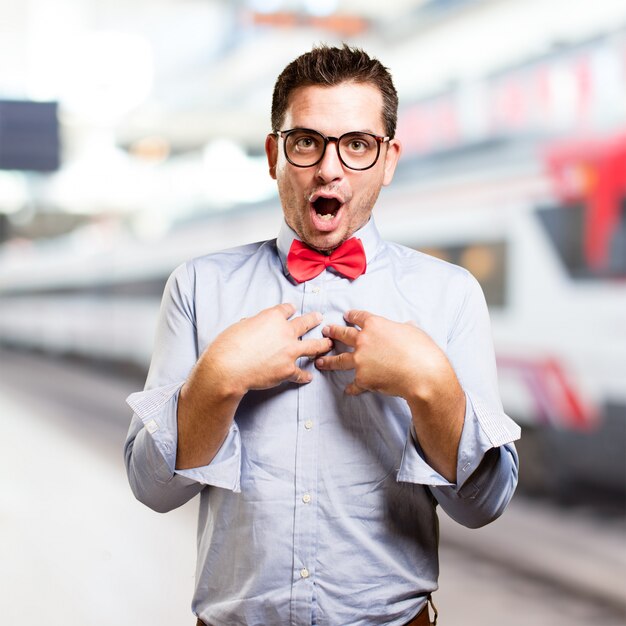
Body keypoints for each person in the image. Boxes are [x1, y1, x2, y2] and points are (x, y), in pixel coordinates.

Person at [124, 44, 520, 626]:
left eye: (357, 144)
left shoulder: (450, 294)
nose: (329, 169)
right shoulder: (196, 286)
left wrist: (433, 385)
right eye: (306, 141)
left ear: (388, 160)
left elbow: (482, 506)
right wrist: (218, 380)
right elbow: (151, 488)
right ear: (274, 155)